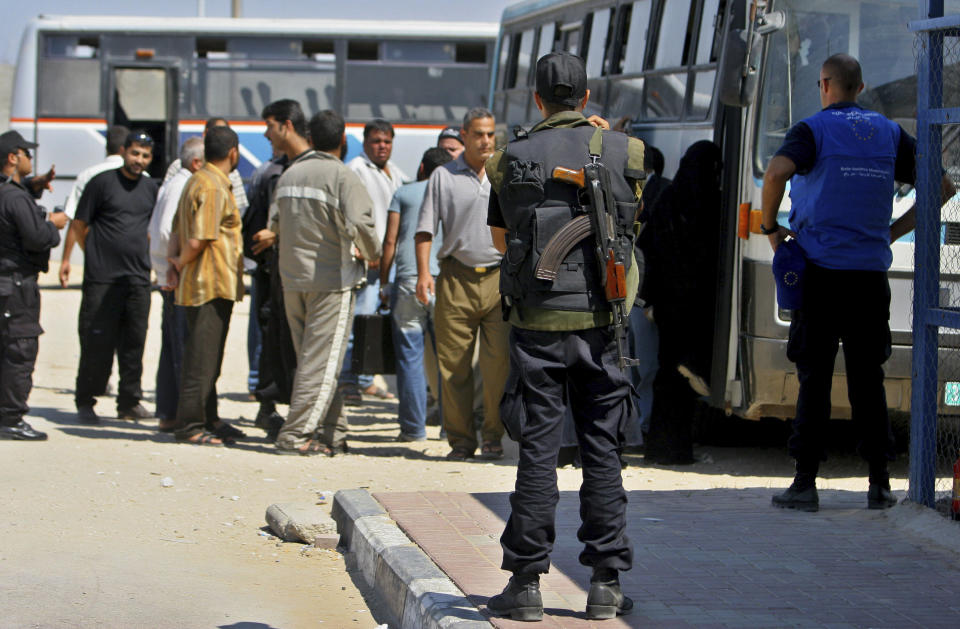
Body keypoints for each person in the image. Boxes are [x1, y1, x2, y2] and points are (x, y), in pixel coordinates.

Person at [484, 52, 645, 620]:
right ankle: (605, 582)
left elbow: (504, 239)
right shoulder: (626, 152)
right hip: (603, 325)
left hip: (536, 325)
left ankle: (526, 583)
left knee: (538, 451)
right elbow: (630, 228)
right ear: (587, 95)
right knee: (604, 449)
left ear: (536, 99)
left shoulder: (506, 160)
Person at [761, 53, 955, 511]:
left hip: (820, 274)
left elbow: (775, 174)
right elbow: (943, 187)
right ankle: (880, 484)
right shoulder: (889, 134)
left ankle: (805, 483)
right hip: (870, 276)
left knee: (815, 377)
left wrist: (771, 228)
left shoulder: (812, 130)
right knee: (869, 378)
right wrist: (891, 231)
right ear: (861, 87)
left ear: (825, 84)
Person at [254, 109, 379, 456]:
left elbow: (274, 223)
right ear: (342, 140)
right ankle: (294, 436)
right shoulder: (343, 177)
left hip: (292, 280)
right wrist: (372, 252)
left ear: (310, 138)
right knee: (320, 364)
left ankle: (332, 431)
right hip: (331, 281)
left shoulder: (290, 174)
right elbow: (362, 225)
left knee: (316, 362)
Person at [415, 107, 509, 461]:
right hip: (454, 278)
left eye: (490, 134)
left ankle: (493, 435)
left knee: (497, 365)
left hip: (500, 279)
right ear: (465, 136)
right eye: (478, 134)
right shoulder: (443, 176)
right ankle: (461, 440)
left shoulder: (506, 173)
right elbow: (425, 230)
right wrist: (425, 274)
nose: (486, 141)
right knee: (453, 366)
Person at [639, 140, 723, 464]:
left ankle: (659, 447)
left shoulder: (669, 199)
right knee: (690, 375)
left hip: (669, 306)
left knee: (666, 373)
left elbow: (648, 246)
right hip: (700, 306)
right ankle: (681, 448)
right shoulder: (716, 203)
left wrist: (650, 298)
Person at [69, 131, 160, 425]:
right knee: (97, 342)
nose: (139, 160)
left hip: (137, 279)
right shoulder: (102, 183)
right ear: (124, 151)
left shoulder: (151, 188)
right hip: (103, 279)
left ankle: (129, 402)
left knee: (134, 343)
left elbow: (153, 229)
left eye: (145, 156)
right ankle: (86, 401)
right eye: (135, 153)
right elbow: (80, 225)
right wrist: (94, 257)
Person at [166, 126, 245, 446]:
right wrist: (180, 262)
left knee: (207, 357)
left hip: (203, 283)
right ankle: (189, 425)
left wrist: (173, 262)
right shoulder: (212, 186)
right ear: (233, 153)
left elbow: (175, 228)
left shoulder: (195, 180)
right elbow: (199, 237)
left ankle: (209, 418)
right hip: (209, 283)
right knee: (201, 359)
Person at [379, 147, 452, 442]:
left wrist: (384, 283)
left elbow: (390, 241)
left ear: (422, 168)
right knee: (449, 357)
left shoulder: (404, 193)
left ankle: (413, 429)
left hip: (409, 280)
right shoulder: (453, 194)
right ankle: (452, 429)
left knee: (409, 357)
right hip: (445, 281)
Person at [0, 131, 68, 441]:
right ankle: (11, 419)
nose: (30, 158)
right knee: (20, 351)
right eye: (26, 154)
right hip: (16, 288)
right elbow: (37, 237)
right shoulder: (14, 198)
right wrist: (51, 225)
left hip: (8, 285)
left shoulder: (10, 192)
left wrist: (34, 186)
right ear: (13, 157)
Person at [341, 119, 408, 403]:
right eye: (376, 141)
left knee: (375, 323)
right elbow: (349, 215)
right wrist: (361, 248)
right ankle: (347, 381)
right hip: (368, 260)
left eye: (387, 142)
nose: (382, 146)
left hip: (389, 262)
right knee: (358, 323)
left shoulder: (395, 172)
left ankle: (366, 380)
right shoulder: (355, 170)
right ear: (365, 142)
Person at [147, 137, 204, 432]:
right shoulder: (183, 186)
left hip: (169, 277)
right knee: (182, 349)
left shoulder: (173, 184)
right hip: (176, 279)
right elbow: (168, 233)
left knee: (172, 348)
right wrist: (172, 268)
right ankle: (182, 417)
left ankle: (170, 413)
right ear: (197, 163)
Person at [243, 146, 294, 441]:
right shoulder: (273, 173)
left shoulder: (274, 172)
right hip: (273, 270)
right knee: (272, 337)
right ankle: (268, 405)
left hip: (281, 270)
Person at [58, 125, 129, 287]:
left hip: (97, 260)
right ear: (125, 148)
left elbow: (75, 220)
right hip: (130, 263)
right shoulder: (142, 178)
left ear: (106, 147)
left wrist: (66, 260)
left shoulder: (87, 175)